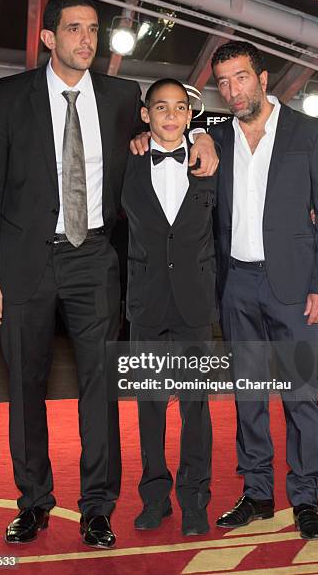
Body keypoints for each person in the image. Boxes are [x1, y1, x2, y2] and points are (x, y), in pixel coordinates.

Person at [0, 0, 218, 549]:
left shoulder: (119, 94)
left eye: (94, 30)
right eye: (75, 29)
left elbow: (169, 123)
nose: (87, 39)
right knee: (25, 386)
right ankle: (33, 501)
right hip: (23, 263)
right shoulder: (9, 97)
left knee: (100, 388)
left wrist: (203, 133)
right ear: (49, 39)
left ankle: (97, 506)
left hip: (95, 260)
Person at [208, 41, 318, 540]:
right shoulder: (217, 137)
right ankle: (258, 492)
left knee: (298, 394)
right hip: (236, 283)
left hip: (293, 286)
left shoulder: (309, 133)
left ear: (263, 79)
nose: (232, 90)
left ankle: (305, 497)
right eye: (223, 81)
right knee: (248, 394)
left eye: (240, 77)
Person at [122, 79, 218, 536]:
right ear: (146, 115)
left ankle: (195, 500)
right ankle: (155, 498)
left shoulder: (210, 160)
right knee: (150, 406)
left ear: (189, 115)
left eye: (180, 108)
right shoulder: (130, 159)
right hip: (147, 303)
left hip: (195, 303)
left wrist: (207, 138)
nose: (171, 115)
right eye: (161, 107)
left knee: (196, 407)